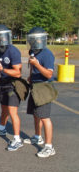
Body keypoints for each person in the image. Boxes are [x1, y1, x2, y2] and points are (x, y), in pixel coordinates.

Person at [0, 24, 23, 151]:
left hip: (13, 85)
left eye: (0, 37)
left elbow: (18, 73)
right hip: (3, 83)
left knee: (13, 112)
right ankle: (2, 129)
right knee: (4, 109)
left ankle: (17, 139)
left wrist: (3, 69)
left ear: (6, 37)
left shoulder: (13, 51)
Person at [24, 27, 56, 158]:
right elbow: (32, 66)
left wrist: (37, 65)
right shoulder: (33, 51)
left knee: (44, 117)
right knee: (36, 114)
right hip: (35, 86)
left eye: (33, 39)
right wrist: (31, 76)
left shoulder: (47, 54)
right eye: (30, 39)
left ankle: (49, 147)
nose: (31, 42)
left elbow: (49, 74)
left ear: (40, 39)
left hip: (44, 87)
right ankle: (38, 137)